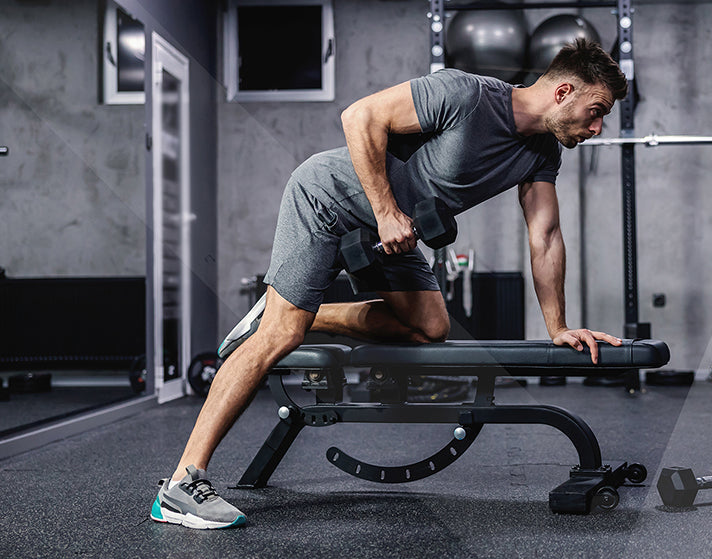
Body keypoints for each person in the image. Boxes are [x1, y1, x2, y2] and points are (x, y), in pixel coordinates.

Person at [151, 38, 628, 529]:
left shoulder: (541, 153)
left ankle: (288, 313)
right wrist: (384, 212)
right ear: (564, 91)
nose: (596, 127)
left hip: (392, 231)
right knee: (282, 334)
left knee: (428, 328)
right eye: (596, 112)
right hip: (329, 199)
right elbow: (360, 116)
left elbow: (545, 235)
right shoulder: (466, 95)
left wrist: (558, 327)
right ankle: (182, 486)